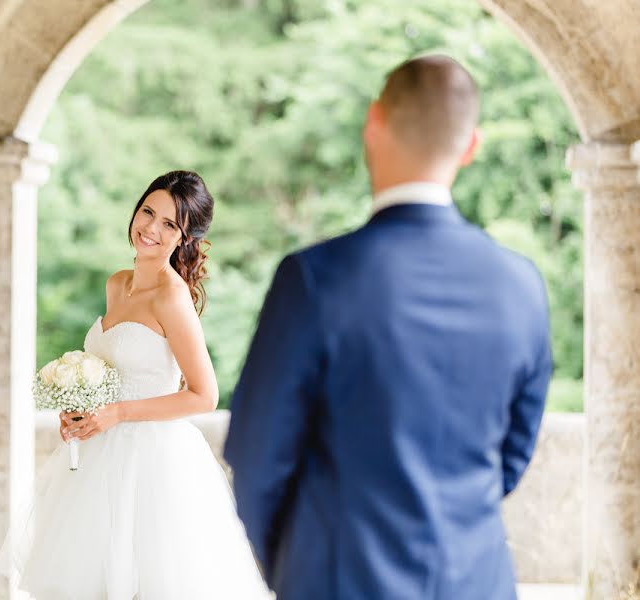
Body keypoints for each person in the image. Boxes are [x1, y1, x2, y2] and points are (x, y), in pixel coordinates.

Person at [224, 55, 553, 600]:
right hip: (476, 582)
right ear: (472, 146)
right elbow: (512, 456)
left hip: (338, 580)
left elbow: (256, 453)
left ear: (373, 122)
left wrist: (296, 565)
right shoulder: (522, 284)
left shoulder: (314, 279)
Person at [0, 170, 271, 600]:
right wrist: (81, 407)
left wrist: (118, 413)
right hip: (97, 457)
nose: (150, 229)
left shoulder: (171, 297)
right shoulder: (116, 284)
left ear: (184, 238)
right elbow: (111, 371)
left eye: (169, 224)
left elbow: (204, 394)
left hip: (154, 465)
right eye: (148, 212)